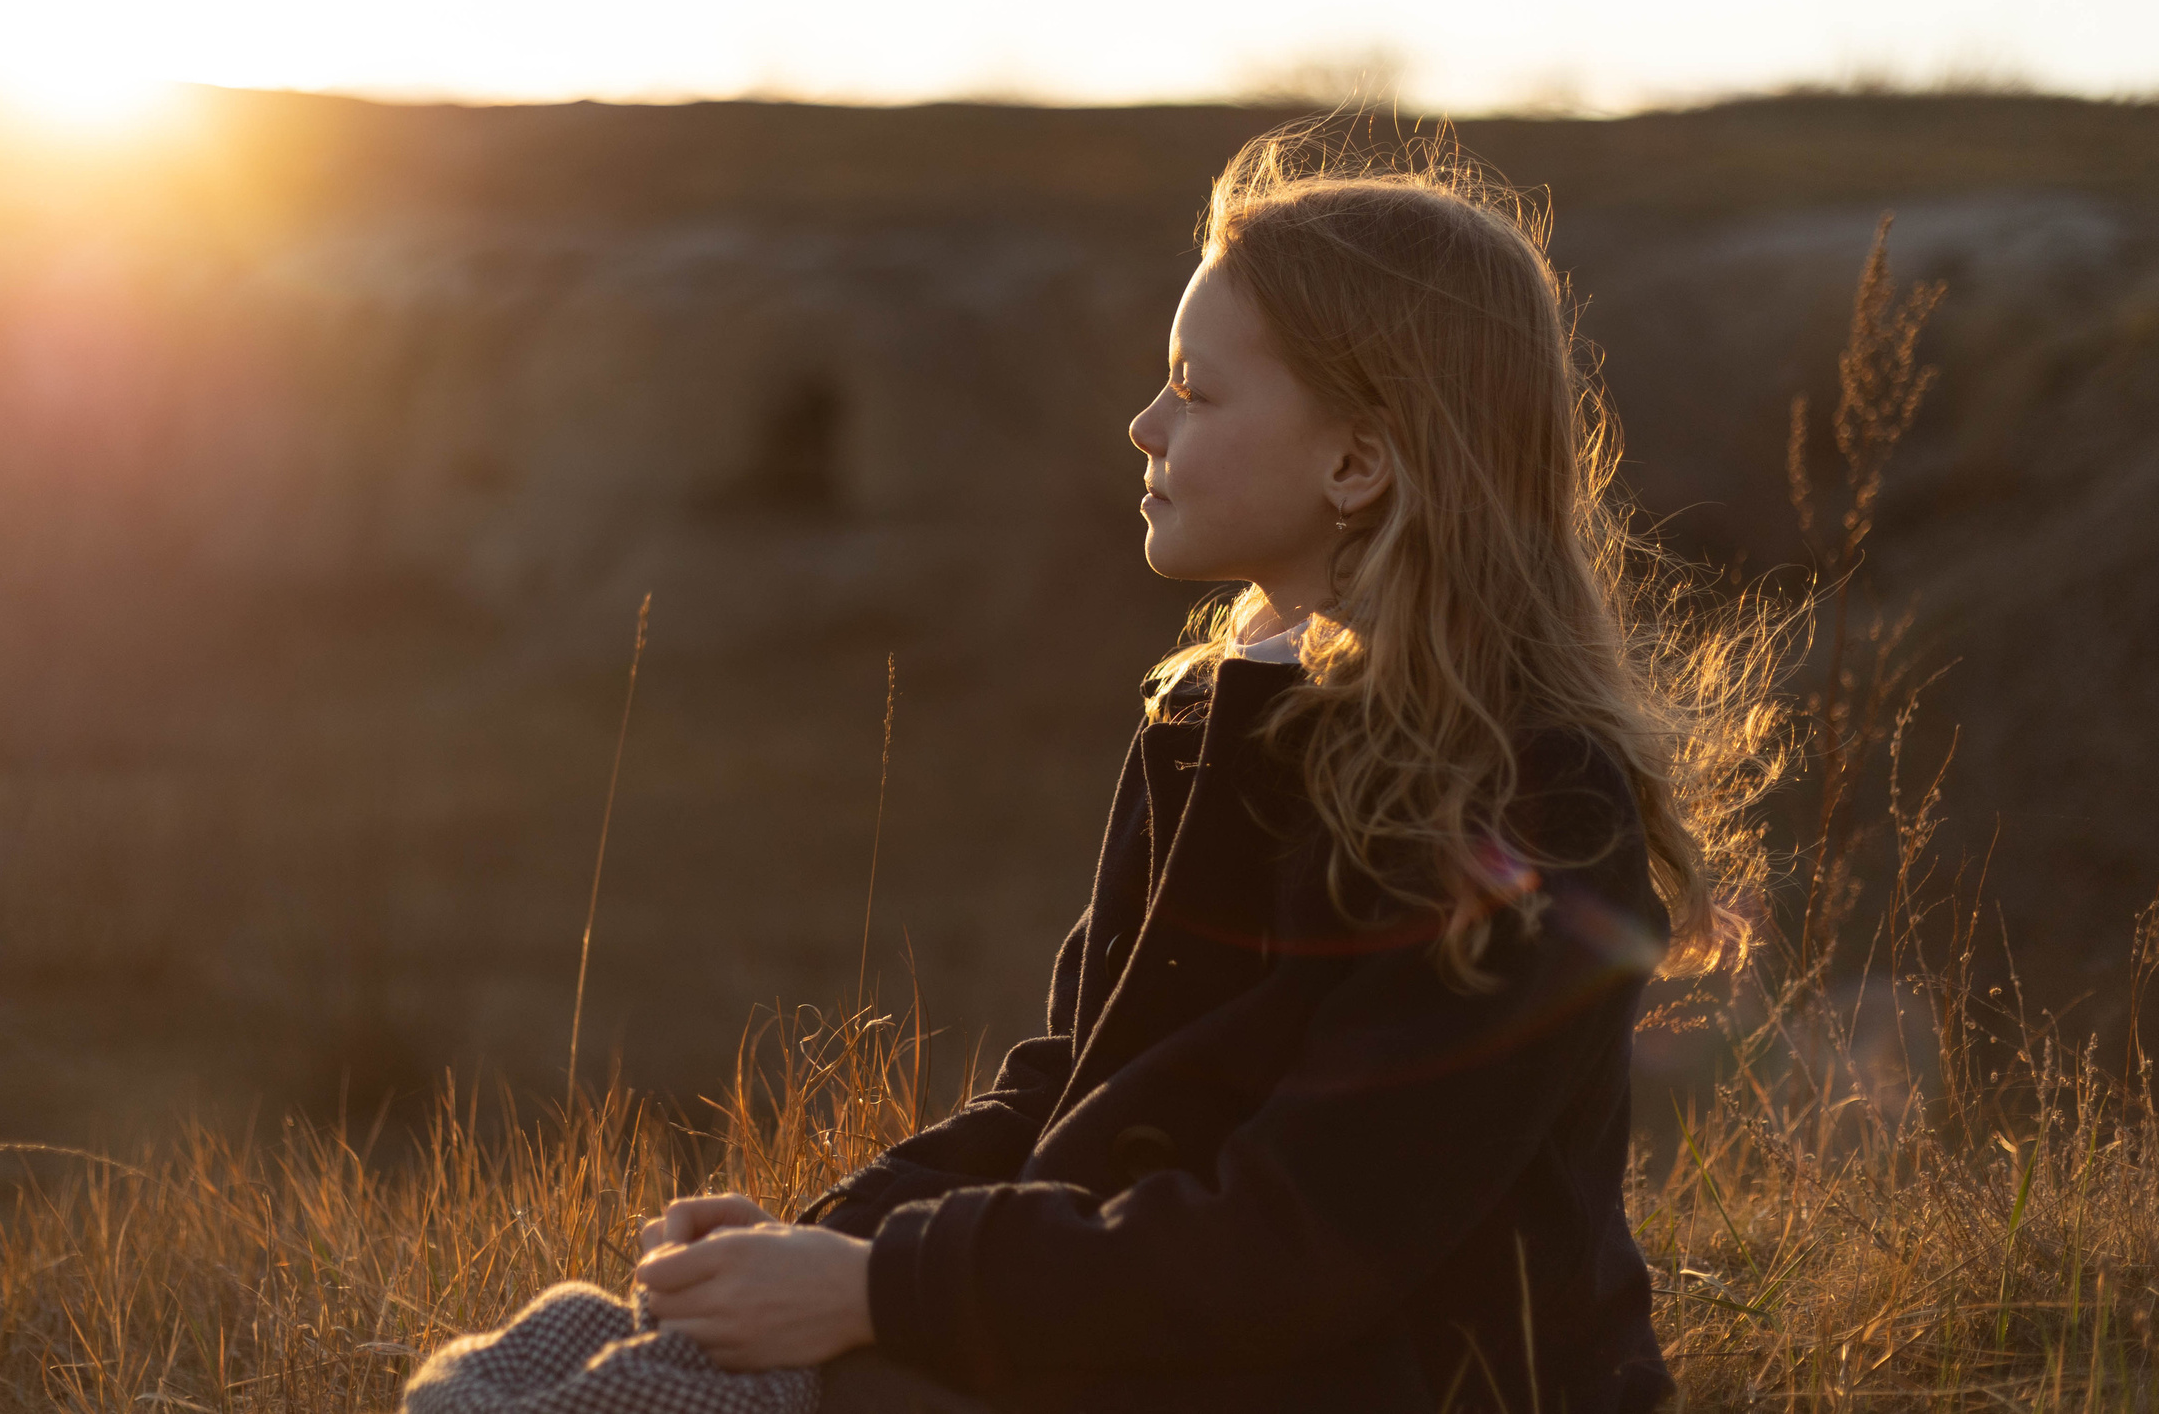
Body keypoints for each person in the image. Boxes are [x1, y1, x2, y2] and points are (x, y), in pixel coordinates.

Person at [620, 130, 1782, 1412]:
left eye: (1196, 388)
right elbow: (1073, 1083)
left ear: (1356, 460)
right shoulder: (1215, 723)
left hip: (1390, 1388)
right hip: (1170, 1354)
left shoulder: (1531, 804)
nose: (1144, 422)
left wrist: (875, 1290)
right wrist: (817, 1242)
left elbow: (1302, 1243)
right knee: (579, 1358)